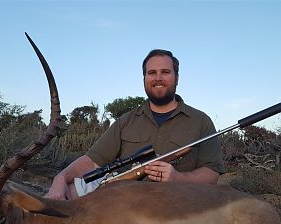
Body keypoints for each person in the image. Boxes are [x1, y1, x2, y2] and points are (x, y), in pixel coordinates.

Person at [46, 49, 225, 200]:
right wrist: (60, 178)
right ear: (144, 78)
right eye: (152, 73)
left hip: (178, 208)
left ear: (177, 78)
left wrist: (178, 177)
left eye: (165, 72)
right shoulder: (125, 121)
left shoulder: (201, 121)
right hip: (124, 207)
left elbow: (212, 173)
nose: (158, 78)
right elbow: (92, 161)